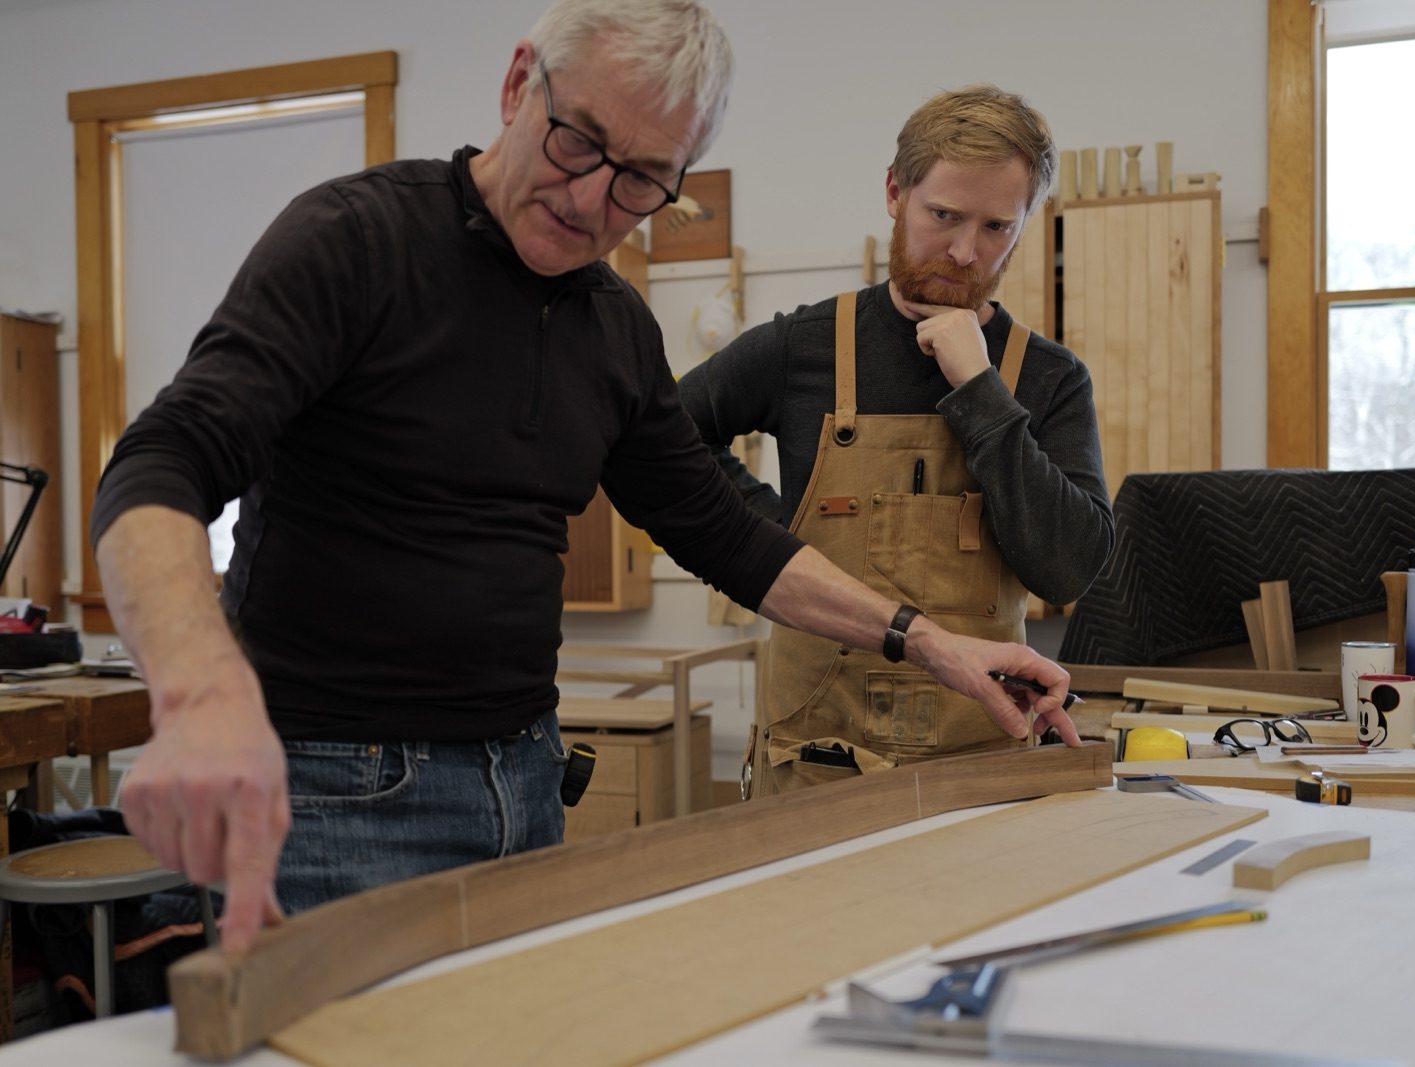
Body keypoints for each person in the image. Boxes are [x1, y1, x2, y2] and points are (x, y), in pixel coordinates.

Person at [88, 0, 1076, 955]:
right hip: (328, 793)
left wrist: (935, 644)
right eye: (578, 142)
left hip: (523, 782)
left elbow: (725, 534)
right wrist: (199, 689)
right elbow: (162, 462)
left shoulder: (612, 326)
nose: (593, 198)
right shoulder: (357, 241)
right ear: (521, 83)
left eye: (645, 178)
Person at [678, 85, 1113, 795]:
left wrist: (982, 394)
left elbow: (1066, 570)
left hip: (982, 767)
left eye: (998, 226)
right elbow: (666, 437)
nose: (966, 251)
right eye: (943, 215)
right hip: (815, 765)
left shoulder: (1049, 377)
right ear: (894, 191)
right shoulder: (804, 346)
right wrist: (777, 541)